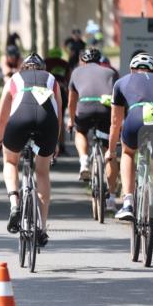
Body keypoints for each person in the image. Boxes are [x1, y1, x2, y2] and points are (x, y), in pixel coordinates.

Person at [0, 53, 63, 246]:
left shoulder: (14, 79)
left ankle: (15, 204)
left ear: (22, 68)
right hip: (46, 124)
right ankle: (41, 227)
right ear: (42, 69)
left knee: (10, 161)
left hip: (19, 121)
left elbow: (2, 118)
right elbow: (58, 116)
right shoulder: (51, 80)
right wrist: (55, 142)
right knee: (42, 172)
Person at [108, 53, 153, 248]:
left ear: (132, 70)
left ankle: (128, 201)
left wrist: (111, 151)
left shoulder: (122, 82)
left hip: (137, 115)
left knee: (128, 152)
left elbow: (115, 122)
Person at [68, 47, 119, 210]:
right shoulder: (111, 72)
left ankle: (84, 160)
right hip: (106, 109)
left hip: (85, 107)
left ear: (83, 60)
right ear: (100, 60)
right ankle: (111, 198)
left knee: (80, 131)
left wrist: (71, 120)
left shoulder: (76, 72)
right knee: (109, 153)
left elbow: (71, 101)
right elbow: (118, 98)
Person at [45, 47, 71, 154]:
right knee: (60, 119)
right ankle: (62, 146)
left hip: (47, 93)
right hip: (62, 93)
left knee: (47, 119)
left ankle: (47, 145)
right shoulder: (65, 64)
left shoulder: (45, 63)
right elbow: (69, 80)